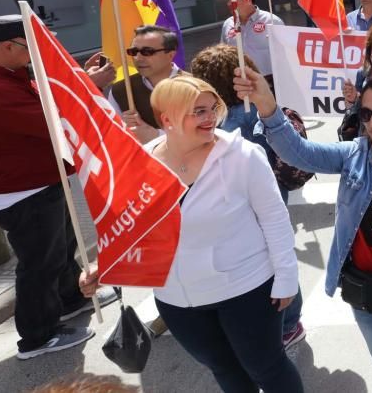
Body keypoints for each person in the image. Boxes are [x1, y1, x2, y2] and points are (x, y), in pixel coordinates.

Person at [234, 70, 372, 393]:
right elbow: (300, 153)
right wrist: (268, 108)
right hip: (365, 289)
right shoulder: (354, 154)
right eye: (366, 113)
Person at [80, 75, 302, 392]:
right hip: (177, 301)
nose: (210, 117)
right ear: (167, 118)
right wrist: (106, 268)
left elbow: (275, 218)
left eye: (213, 108)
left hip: (247, 290)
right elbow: (134, 229)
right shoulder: (140, 162)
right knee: (224, 369)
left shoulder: (243, 156)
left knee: (266, 366)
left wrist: (286, 278)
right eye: (198, 111)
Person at [0, 15, 117, 359]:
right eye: (30, 45)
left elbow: (48, 98)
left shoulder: (13, 75)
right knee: (39, 263)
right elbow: (52, 120)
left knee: (62, 248)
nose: (35, 53)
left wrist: (79, 78)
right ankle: (37, 337)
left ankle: (70, 299)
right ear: (7, 46)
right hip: (24, 192)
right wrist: (88, 86)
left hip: (45, 181)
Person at [189, 44, 310, 348]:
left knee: (261, 262)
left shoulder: (213, 125)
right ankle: (289, 323)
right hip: (272, 198)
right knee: (279, 255)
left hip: (234, 210)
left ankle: (285, 323)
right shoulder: (263, 109)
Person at [108, 24, 182, 144]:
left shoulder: (194, 86)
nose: (138, 58)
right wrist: (122, 128)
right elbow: (112, 139)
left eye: (147, 52)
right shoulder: (121, 90)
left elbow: (210, 132)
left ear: (171, 54)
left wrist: (155, 135)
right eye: (134, 51)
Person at [220, 0, 283, 80]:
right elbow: (223, 54)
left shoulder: (272, 21)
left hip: (269, 81)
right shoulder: (228, 24)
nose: (229, 3)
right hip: (239, 81)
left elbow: (285, 54)